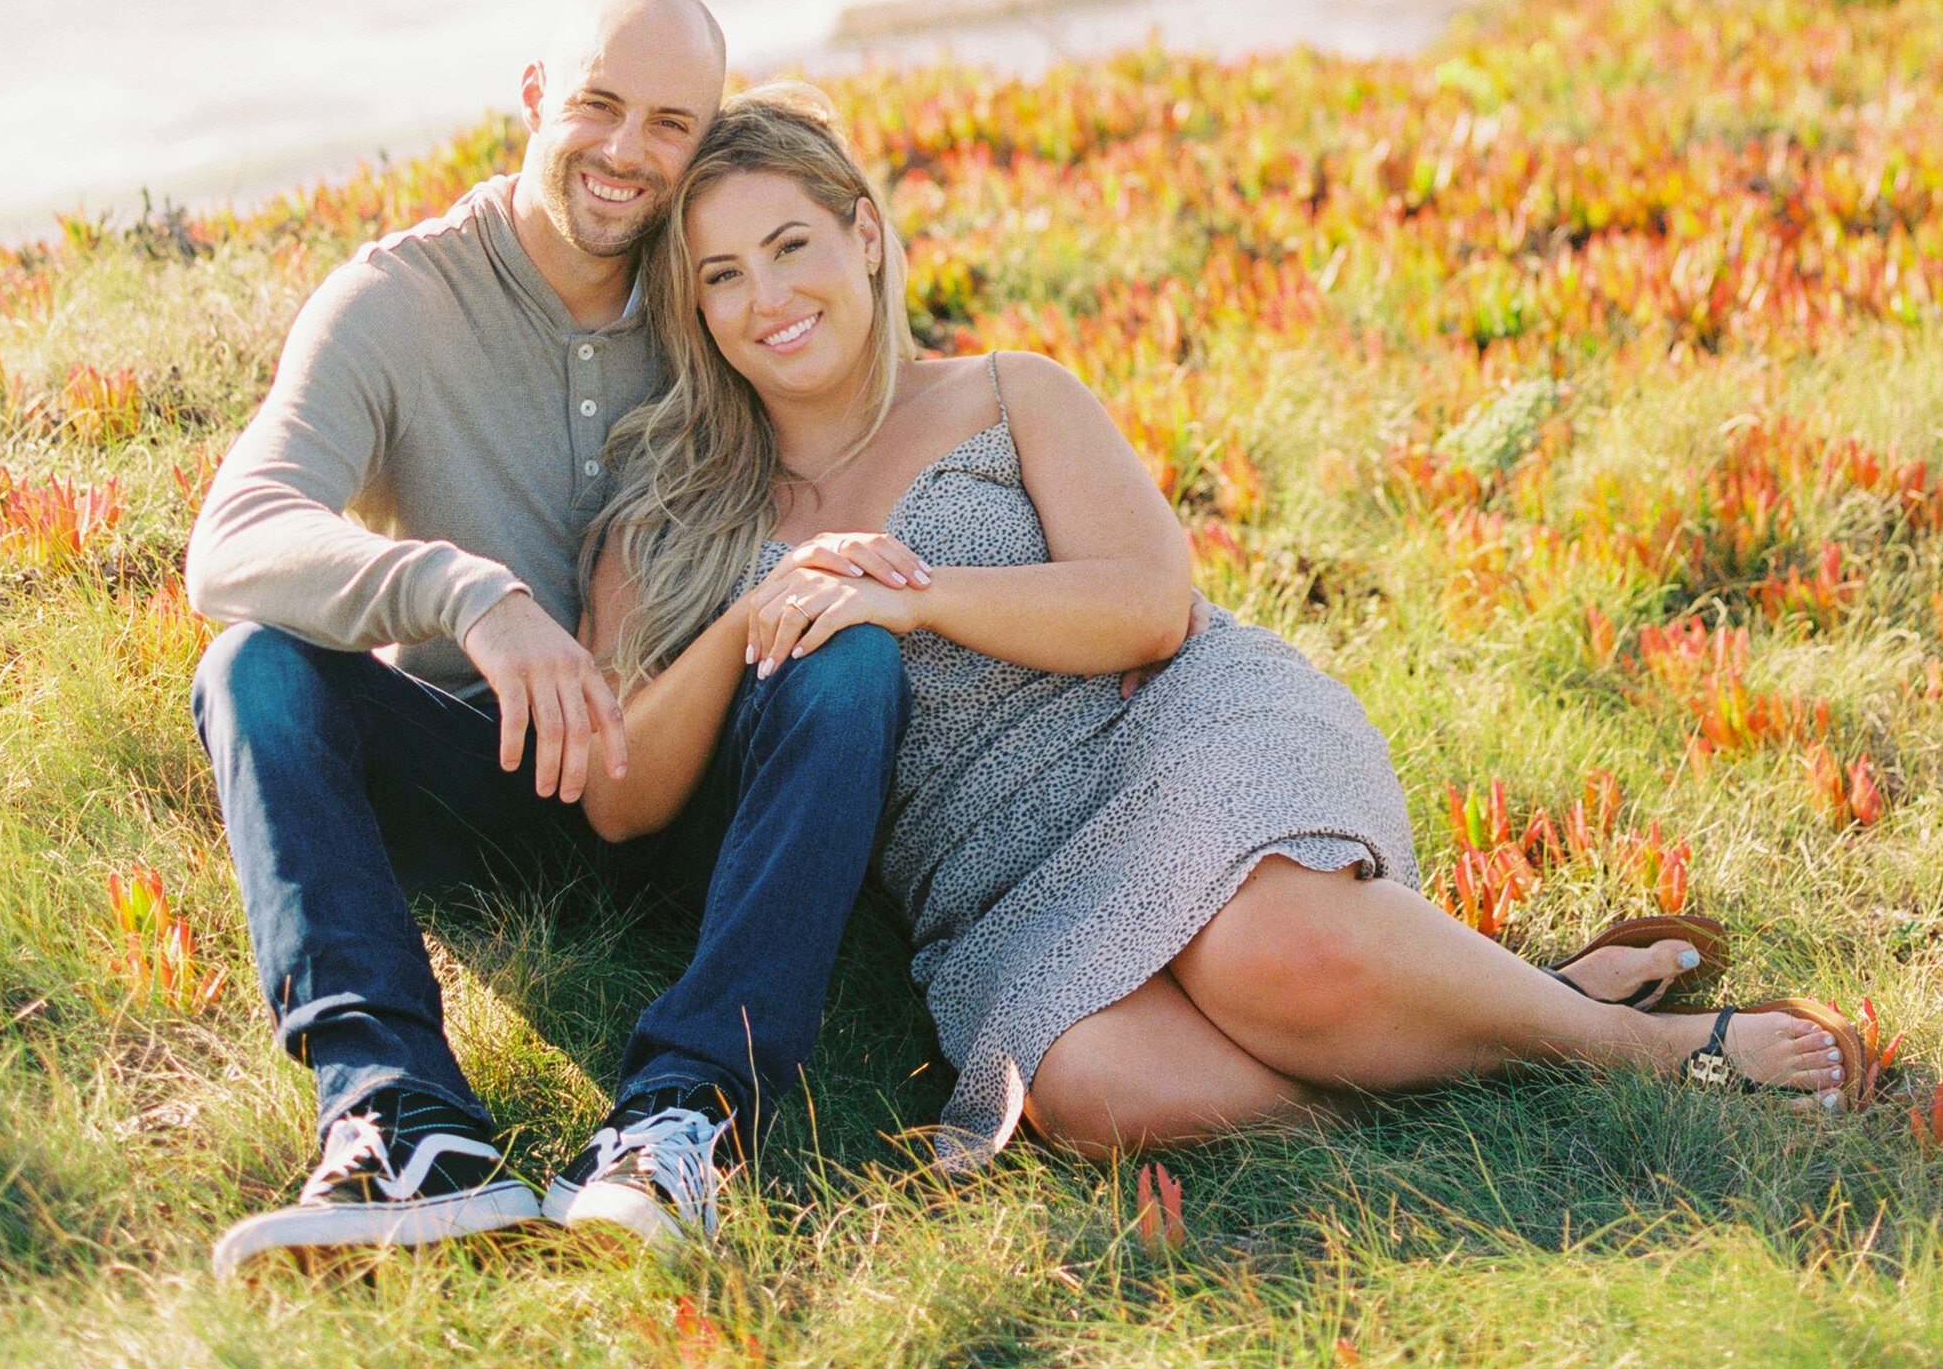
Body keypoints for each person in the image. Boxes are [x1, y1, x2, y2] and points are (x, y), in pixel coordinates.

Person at [580, 88, 1873, 1168]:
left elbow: (1151, 609)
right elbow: (622, 802)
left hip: (1167, 731)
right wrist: (763, 599)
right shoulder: (677, 507)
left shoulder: (1006, 391)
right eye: (723, 275)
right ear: (692, 307)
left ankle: (1646, 1052)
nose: (769, 297)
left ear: (862, 234)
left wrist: (904, 593)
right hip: (985, 869)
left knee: (1277, 959)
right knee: (1100, 1095)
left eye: (792, 244)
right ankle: (1519, 1032)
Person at [185, 0, 920, 1276]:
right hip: (484, 787)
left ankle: (687, 1115)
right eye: (598, 105)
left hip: (707, 781)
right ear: (535, 97)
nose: (629, 152)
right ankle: (403, 1125)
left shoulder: (722, 291)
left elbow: (877, 390)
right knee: (255, 669)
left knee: (845, 655)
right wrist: (470, 594)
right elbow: (237, 536)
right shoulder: (394, 302)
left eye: (672, 124)